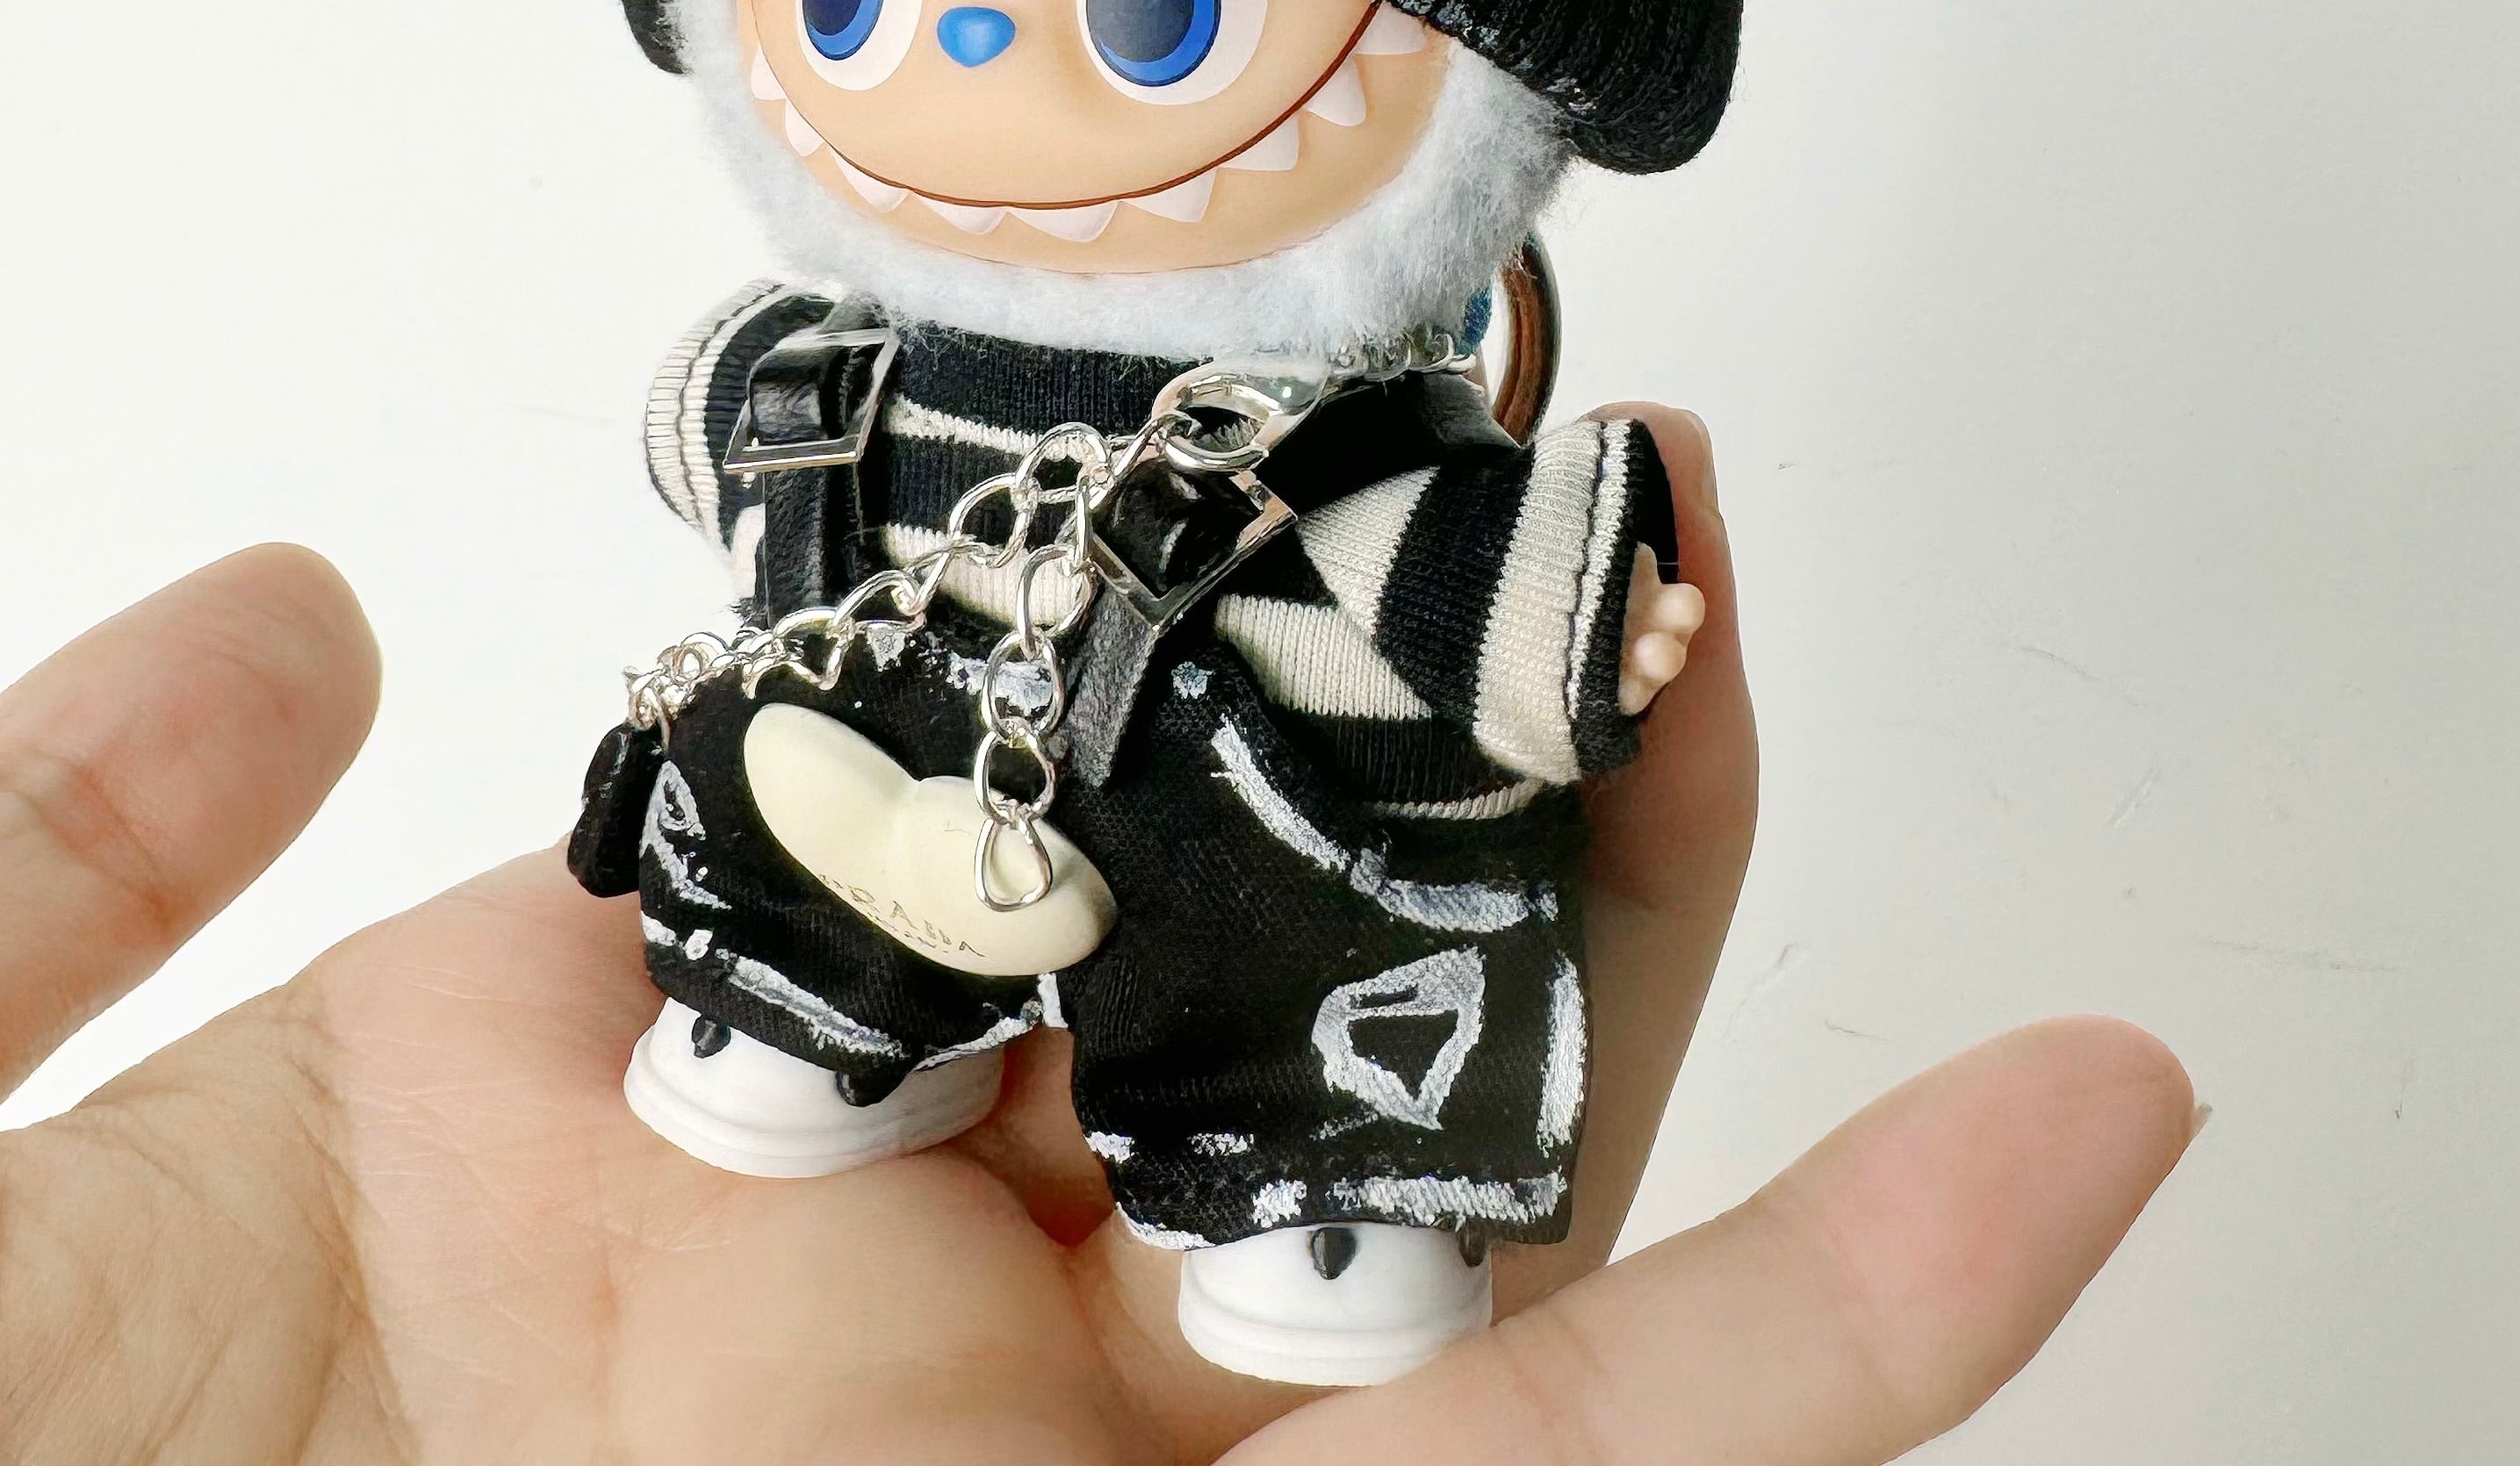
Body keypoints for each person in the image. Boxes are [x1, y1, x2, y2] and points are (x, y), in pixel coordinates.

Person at [0, 410, 2197, 1462]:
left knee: (1320, 953)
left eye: (1154, 6)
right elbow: (726, 447)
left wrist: (1558, 623)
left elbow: (1468, 591)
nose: (982, 42)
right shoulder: (836, 371)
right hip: (881, 749)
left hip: (1247, 802)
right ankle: (797, 1024)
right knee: (777, 828)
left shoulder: (1352, 437)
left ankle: (1323, 1208)